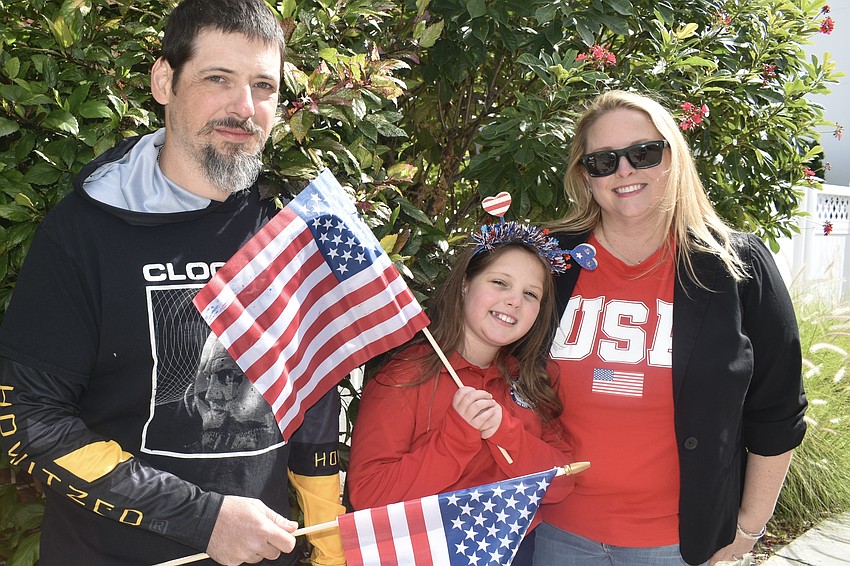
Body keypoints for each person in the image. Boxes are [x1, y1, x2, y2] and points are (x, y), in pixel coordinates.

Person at [0, 1, 346, 564]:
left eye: (264, 86)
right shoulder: (85, 230)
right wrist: (202, 519)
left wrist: (329, 539)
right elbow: (30, 417)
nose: (244, 107)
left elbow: (315, 392)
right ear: (165, 80)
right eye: (218, 79)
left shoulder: (288, 224)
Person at [535, 89, 808, 566]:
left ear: (673, 156)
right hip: (555, 532)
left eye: (644, 153)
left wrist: (748, 529)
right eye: (603, 160)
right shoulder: (551, 260)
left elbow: (778, 408)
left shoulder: (737, 266)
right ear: (585, 176)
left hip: (678, 547)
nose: (625, 171)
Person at [346, 219, 579, 565]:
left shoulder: (530, 380)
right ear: (466, 284)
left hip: (516, 552)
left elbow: (562, 483)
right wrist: (456, 437)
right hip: (430, 553)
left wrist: (506, 433)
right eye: (500, 283)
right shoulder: (406, 376)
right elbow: (369, 496)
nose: (514, 301)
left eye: (531, 294)